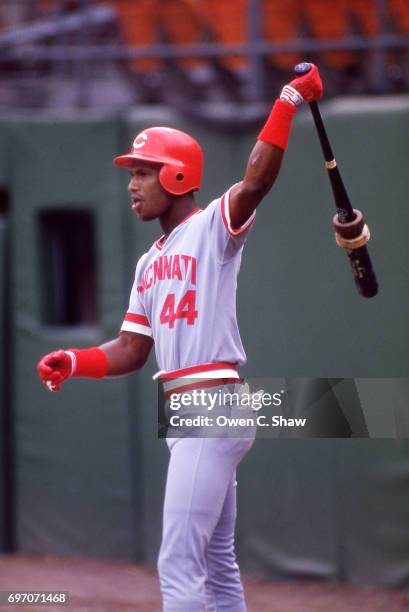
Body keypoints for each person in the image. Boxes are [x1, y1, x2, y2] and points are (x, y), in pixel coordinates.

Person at [37, 64, 323, 611]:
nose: (132, 185)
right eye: (132, 173)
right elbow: (130, 350)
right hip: (188, 411)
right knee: (215, 565)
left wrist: (287, 99)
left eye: (143, 173)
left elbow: (257, 181)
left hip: (211, 403)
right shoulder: (149, 262)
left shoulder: (212, 226)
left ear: (174, 177)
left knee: (178, 562)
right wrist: (74, 360)